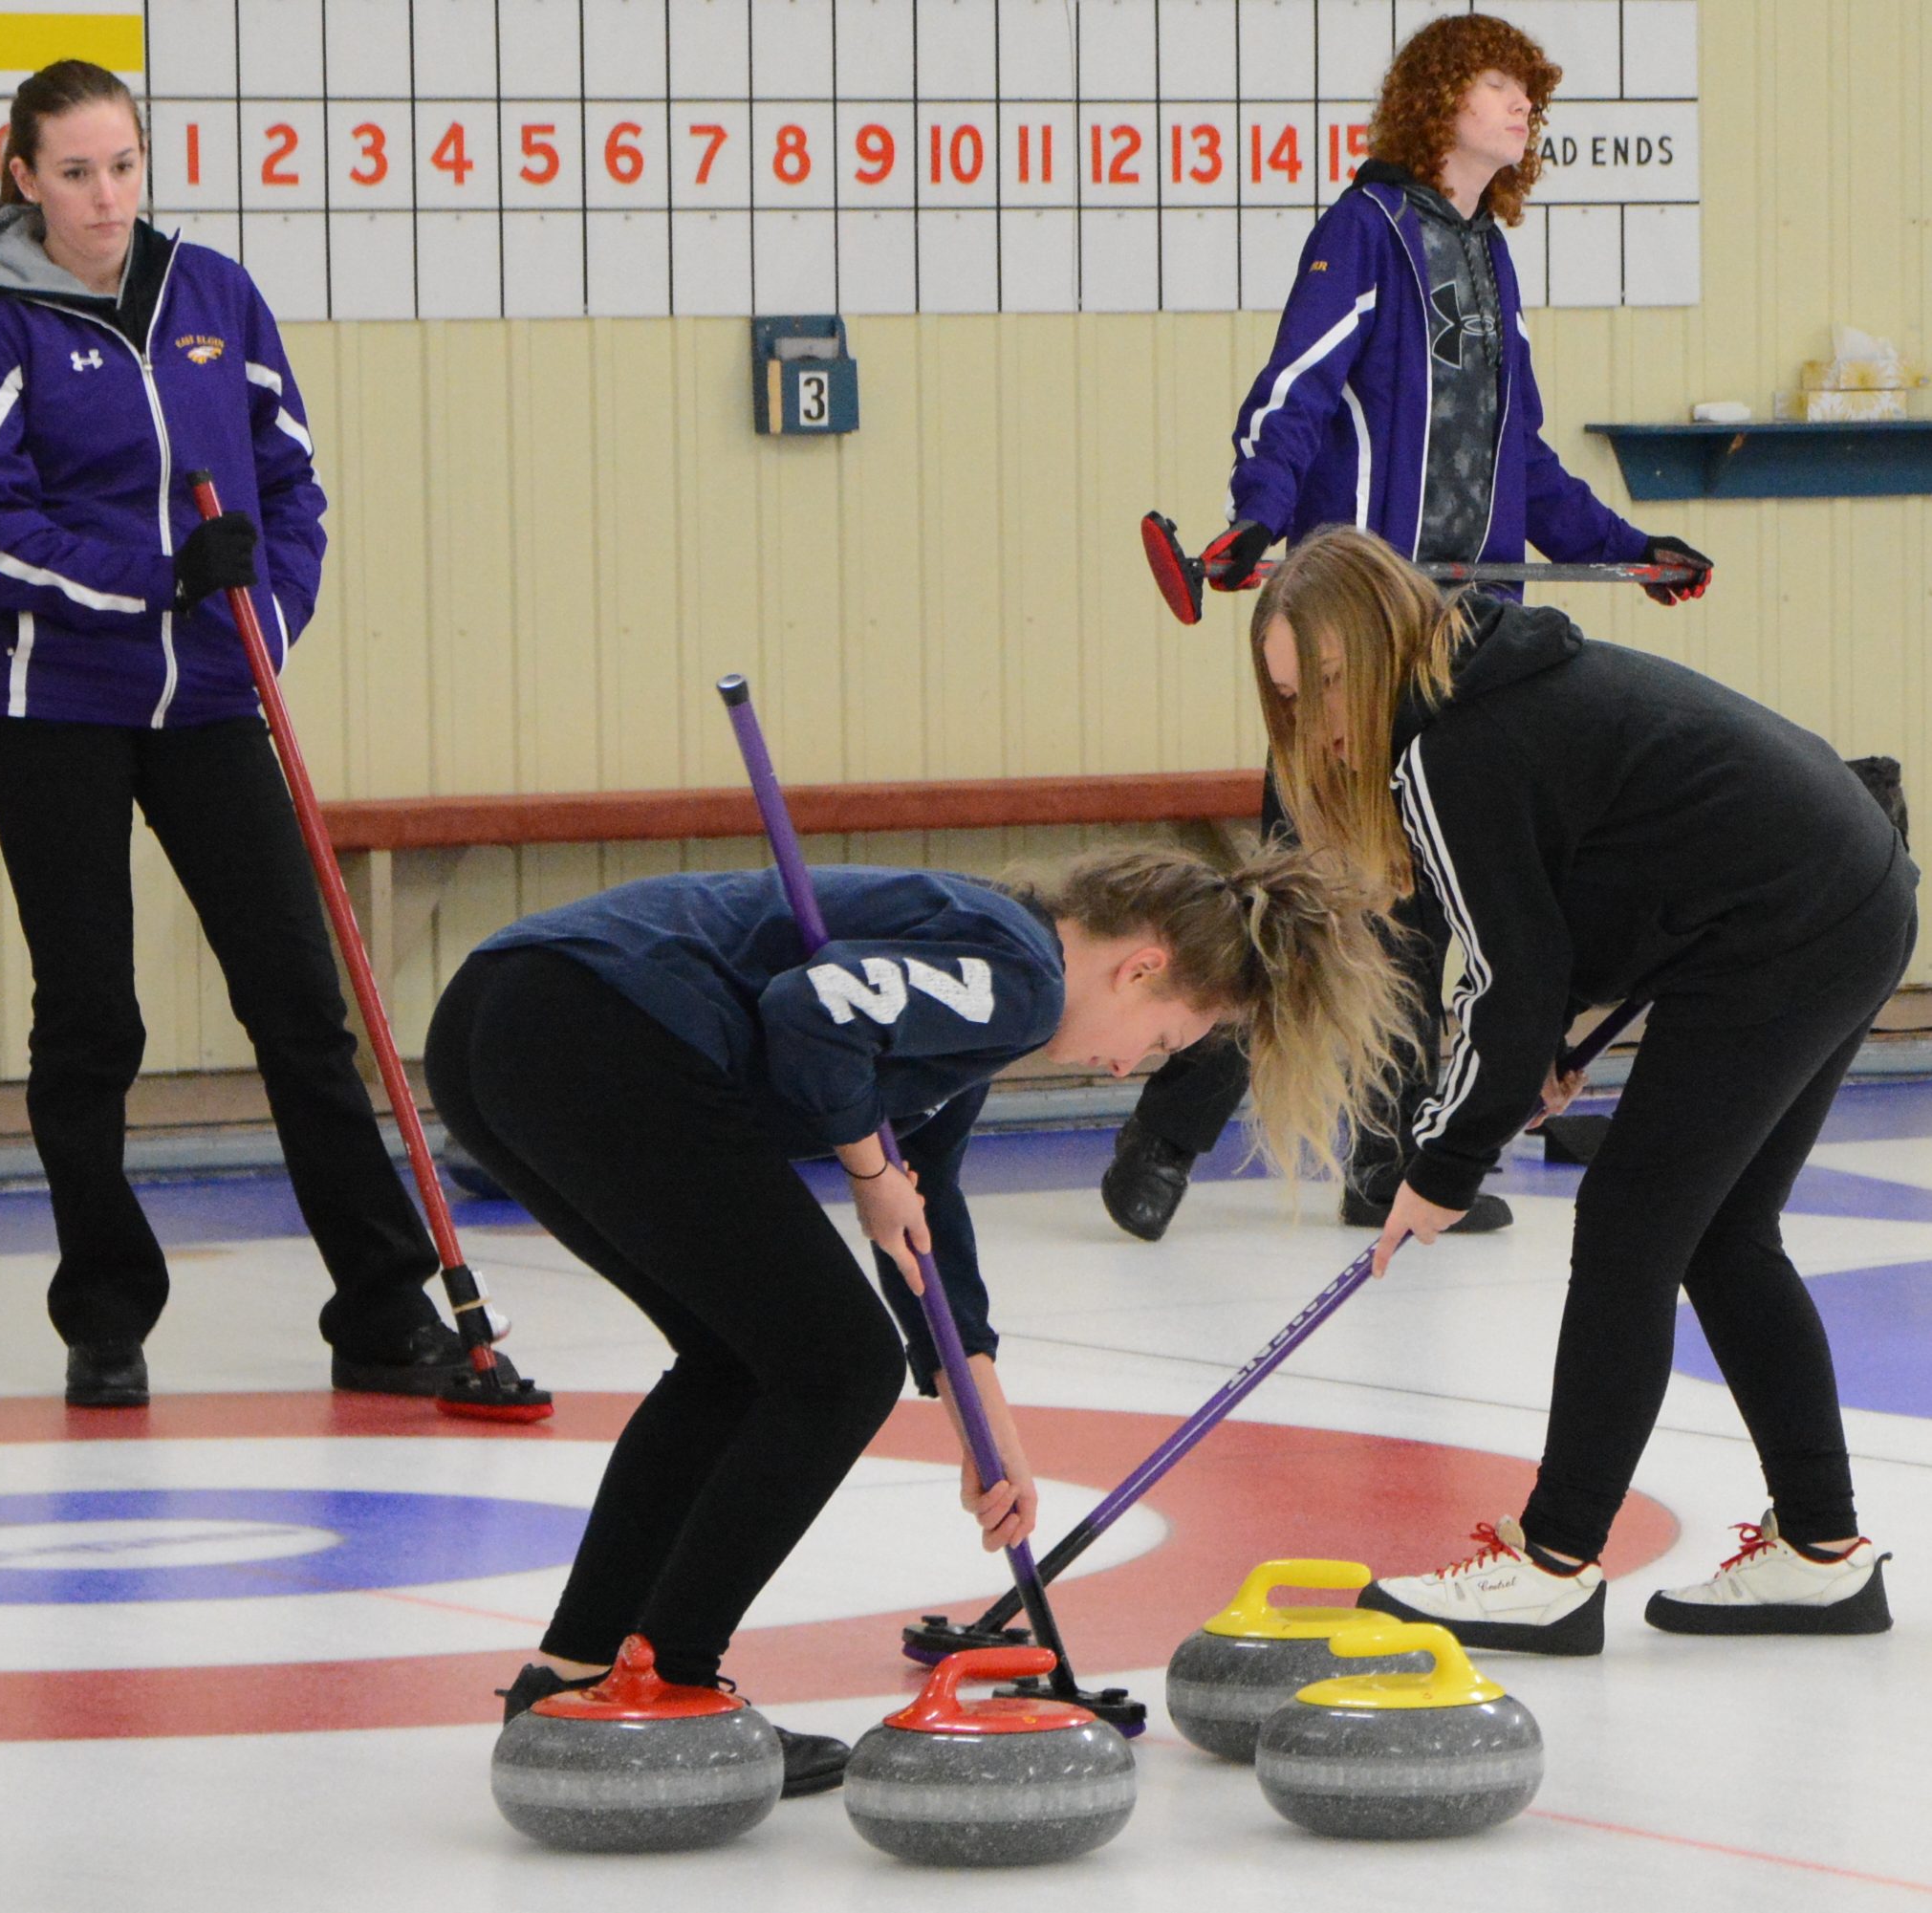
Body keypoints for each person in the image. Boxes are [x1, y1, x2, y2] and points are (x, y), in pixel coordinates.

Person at [424, 845, 1412, 1791]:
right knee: (839, 1368)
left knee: (739, 1361)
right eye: (1158, 1041)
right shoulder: (1018, 974)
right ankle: (672, 1681)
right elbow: (811, 1014)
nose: (1125, 1070)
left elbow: (927, 1214)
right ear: (1141, 967)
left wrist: (986, 1430)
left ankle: (574, 1674)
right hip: (593, 1024)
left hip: (502, 1023)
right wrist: (864, 1169)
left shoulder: (983, 979)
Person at [1104, 11, 1711, 1246]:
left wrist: (1624, 548)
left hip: (1466, 647)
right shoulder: (1363, 231)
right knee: (1297, 902)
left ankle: (1385, 1166)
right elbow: (1290, 394)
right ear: (1439, 99)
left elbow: (1523, 465)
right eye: (1500, 83)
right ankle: (1164, 1137)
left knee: (1435, 897)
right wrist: (1251, 520)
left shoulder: (1489, 260)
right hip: (1352, 640)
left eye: (1529, 92)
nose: (1522, 106)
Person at [0, 61, 478, 1407]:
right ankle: (106, 1314)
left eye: (121, 165)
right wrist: (159, 576)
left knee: (298, 997)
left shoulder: (212, 295)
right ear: (21, 177)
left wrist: (261, 619)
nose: (105, 197)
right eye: (73, 173)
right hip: (51, 703)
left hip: (213, 697)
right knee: (92, 1016)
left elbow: (290, 482)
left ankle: (384, 1305)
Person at [1252, 525, 1912, 1651]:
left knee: (1629, 1228)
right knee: (1725, 1231)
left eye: (1328, 681)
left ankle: (1552, 1562)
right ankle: (1820, 1550)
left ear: (1381, 642)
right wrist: (1557, 1049)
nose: (1319, 720)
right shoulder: (1491, 690)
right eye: (1290, 698)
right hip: (1845, 892)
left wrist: (1441, 1164)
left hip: (1790, 923)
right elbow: (1604, 890)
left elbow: (1508, 977)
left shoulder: (1452, 748)